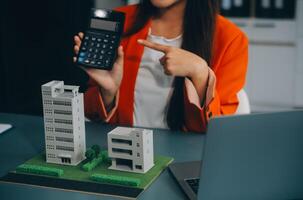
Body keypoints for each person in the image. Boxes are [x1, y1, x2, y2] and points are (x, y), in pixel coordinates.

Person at [73, 0, 248, 132]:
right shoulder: (118, 21)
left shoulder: (230, 39)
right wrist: (107, 94)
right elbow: (90, 114)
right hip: (123, 155)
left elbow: (219, 132)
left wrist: (200, 73)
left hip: (186, 161)